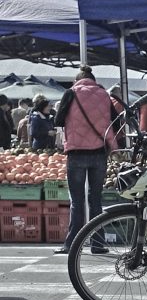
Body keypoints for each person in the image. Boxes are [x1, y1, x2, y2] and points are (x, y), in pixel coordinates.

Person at [53, 66, 118, 255]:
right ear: (93, 79)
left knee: (77, 201)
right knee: (96, 200)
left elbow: (58, 120)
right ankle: (98, 244)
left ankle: (72, 244)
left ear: (78, 80)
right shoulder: (104, 95)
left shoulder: (70, 93)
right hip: (99, 153)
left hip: (76, 154)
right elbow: (115, 120)